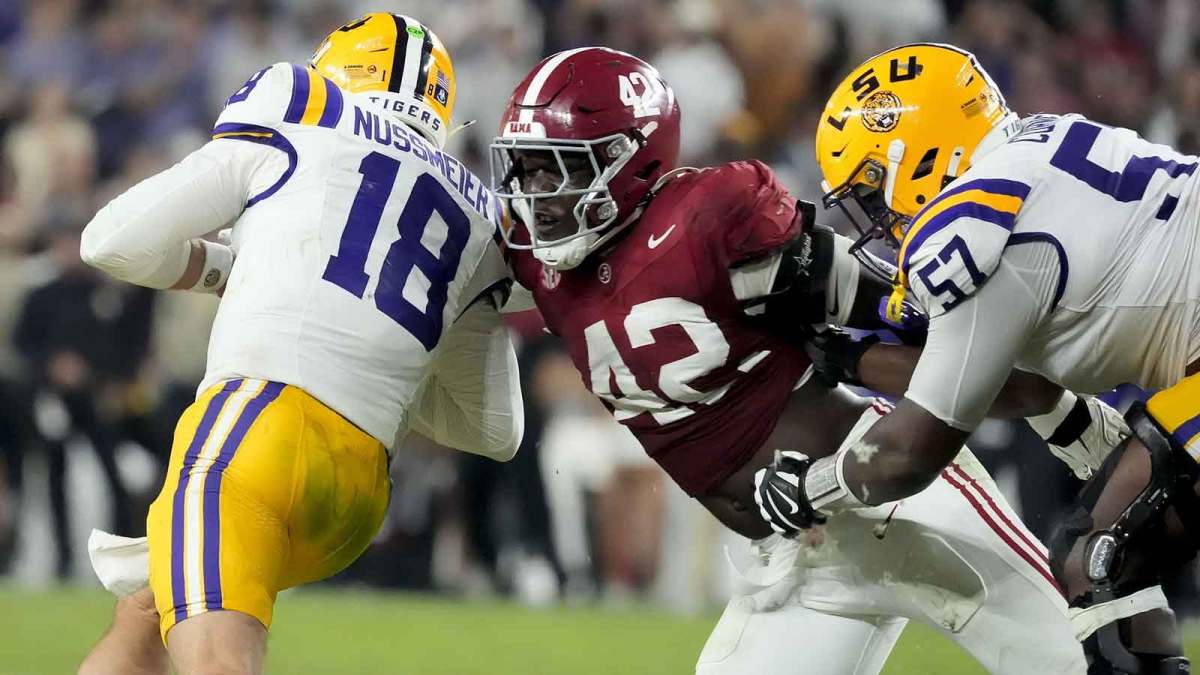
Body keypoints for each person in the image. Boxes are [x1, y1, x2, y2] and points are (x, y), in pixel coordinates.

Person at [490, 47, 1121, 674]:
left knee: (1088, 660)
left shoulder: (711, 219)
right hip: (798, 558)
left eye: (556, 170)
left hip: (897, 500)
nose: (533, 195)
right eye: (524, 169)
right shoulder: (534, 263)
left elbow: (921, 326)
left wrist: (1053, 405)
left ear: (629, 159)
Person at [76, 13, 522, 675]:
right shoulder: (476, 206)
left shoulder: (301, 106)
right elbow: (497, 428)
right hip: (356, 496)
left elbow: (110, 241)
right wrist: (384, 359)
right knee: (144, 615)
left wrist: (234, 267)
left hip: (257, 435)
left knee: (216, 663)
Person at [757, 42, 1199, 673]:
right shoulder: (1041, 145)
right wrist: (853, 359)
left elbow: (911, 453)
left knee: (1097, 557)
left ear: (918, 153)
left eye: (873, 191)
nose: (881, 221)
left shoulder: (971, 224)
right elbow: (1024, 383)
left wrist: (811, 486)